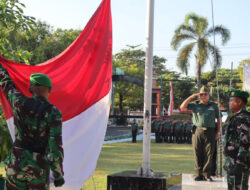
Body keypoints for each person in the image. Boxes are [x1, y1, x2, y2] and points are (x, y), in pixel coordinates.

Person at [0, 64, 64, 189]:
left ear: (31, 88)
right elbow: (55, 147)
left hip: (15, 166)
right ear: (49, 90)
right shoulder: (53, 113)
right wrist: (58, 175)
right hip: (37, 169)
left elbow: (6, 84)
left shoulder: (19, 102)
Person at [180, 86, 221, 181]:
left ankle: (207, 174)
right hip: (197, 131)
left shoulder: (214, 106)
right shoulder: (195, 105)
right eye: (201, 94)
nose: (203, 96)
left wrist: (218, 132)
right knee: (197, 152)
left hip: (210, 131)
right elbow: (182, 107)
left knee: (209, 153)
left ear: (209, 95)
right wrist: (192, 96)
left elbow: (218, 120)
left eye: (205, 94)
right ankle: (199, 174)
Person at [224, 89, 249, 190]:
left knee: (238, 186)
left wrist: (239, 162)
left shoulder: (243, 118)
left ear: (239, 102)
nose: (229, 103)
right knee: (233, 185)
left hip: (238, 161)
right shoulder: (237, 117)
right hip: (233, 159)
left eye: (231, 100)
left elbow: (245, 141)